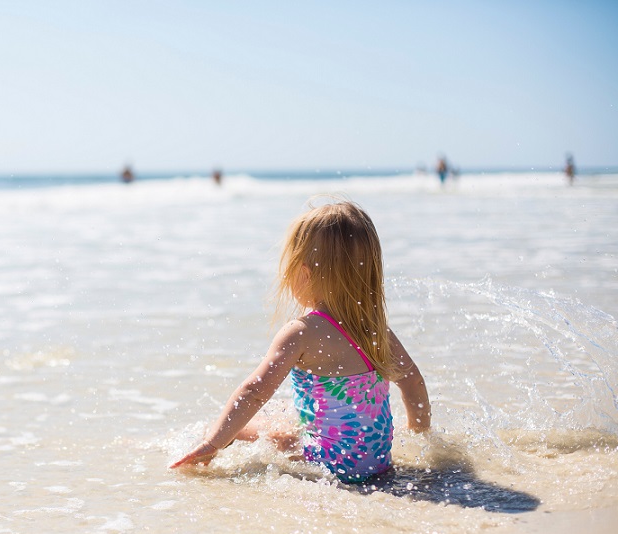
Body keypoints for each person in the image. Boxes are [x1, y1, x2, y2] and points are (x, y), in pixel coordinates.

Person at [170, 199, 431, 483]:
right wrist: (419, 436)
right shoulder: (377, 330)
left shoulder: (301, 332)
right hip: (376, 465)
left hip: (328, 465)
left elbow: (254, 392)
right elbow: (413, 381)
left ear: (303, 273)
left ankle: (189, 449)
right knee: (285, 411)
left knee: (238, 429)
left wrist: (214, 443)